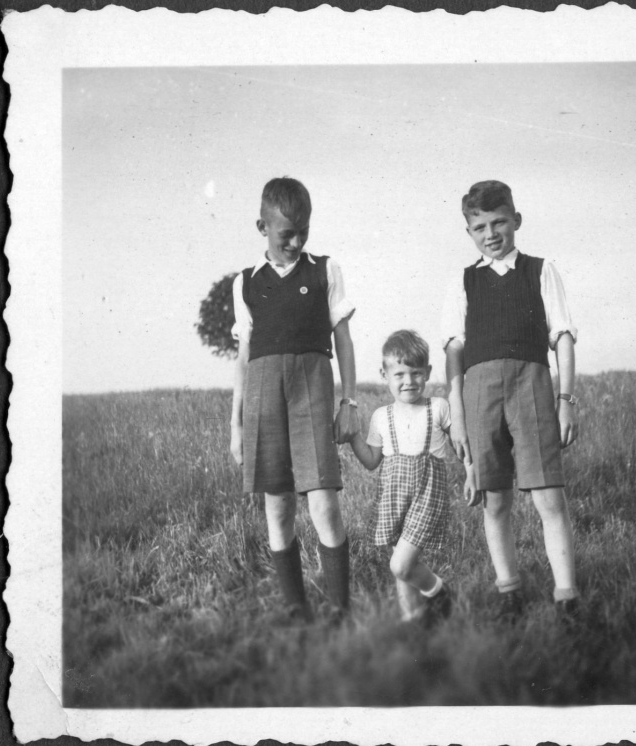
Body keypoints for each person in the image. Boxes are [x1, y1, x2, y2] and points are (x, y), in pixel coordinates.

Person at [442, 179, 580, 623]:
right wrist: (458, 417)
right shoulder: (463, 281)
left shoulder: (540, 270)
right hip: (479, 394)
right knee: (495, 500)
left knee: (549, 499)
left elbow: (562, 338)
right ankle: (509, 593)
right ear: (469, 232)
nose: (491, 233)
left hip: (533, 387)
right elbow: (454, 353)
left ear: (516, 220)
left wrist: (565, 400)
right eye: (479, 226)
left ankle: (566, 598)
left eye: (499, 222)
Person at [230, 176, 359, 623]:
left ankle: (340, 609)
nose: (297, 240)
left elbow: (342, 339)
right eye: (287, 234)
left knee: (324, 501)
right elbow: (244, 359)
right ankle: (297, 610)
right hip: (264, 396)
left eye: (304, 230)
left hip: (312, 389)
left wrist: (350, 401)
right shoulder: (245, 283)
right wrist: (236, 425)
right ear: (262, 226)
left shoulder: (325, 269)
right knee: (278, 504)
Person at [349, 330, 475, 625]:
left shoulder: (439, 408)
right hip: (393, 497)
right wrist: (352, 437)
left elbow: (461, 445)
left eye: (416, 373)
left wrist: (471, 473)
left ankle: (440, 593)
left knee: (400, 564)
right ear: (385, 374)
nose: (409, 381)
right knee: (403, 561)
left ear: (428, 373)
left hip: (428, 495)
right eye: (400, 374)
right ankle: (413, 617)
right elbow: (371, 461)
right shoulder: (381, 416)